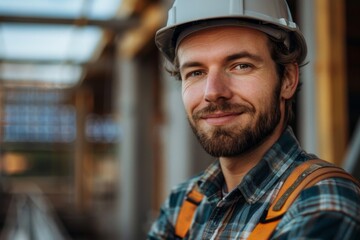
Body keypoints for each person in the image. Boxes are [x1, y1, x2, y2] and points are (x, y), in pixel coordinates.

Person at [148, 0, 360, 239]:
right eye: (196, 72)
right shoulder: (182, 204)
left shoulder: (323, 203)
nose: (212, 92)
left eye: (240, 66)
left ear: (287, 79)